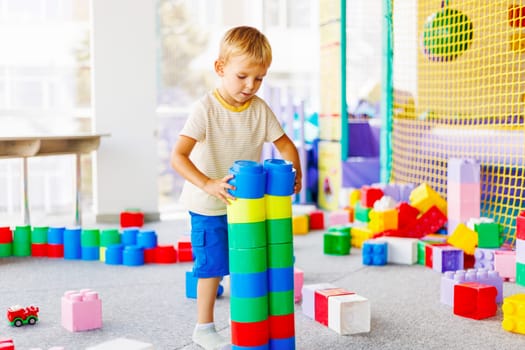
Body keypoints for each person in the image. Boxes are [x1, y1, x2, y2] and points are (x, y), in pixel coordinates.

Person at [171, 26, 302, 350]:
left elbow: (286, 146)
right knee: (212, 266)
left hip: (247, 208)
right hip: (209, 204)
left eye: (259, 79)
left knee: (249, 262)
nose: (250, 86)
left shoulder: (259, 109)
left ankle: (239, 309)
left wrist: (295, 173)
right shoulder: (206, 109)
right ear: (220, 68)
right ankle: (203, 327)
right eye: (242, 76)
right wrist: (208, 184)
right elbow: (178, 156)